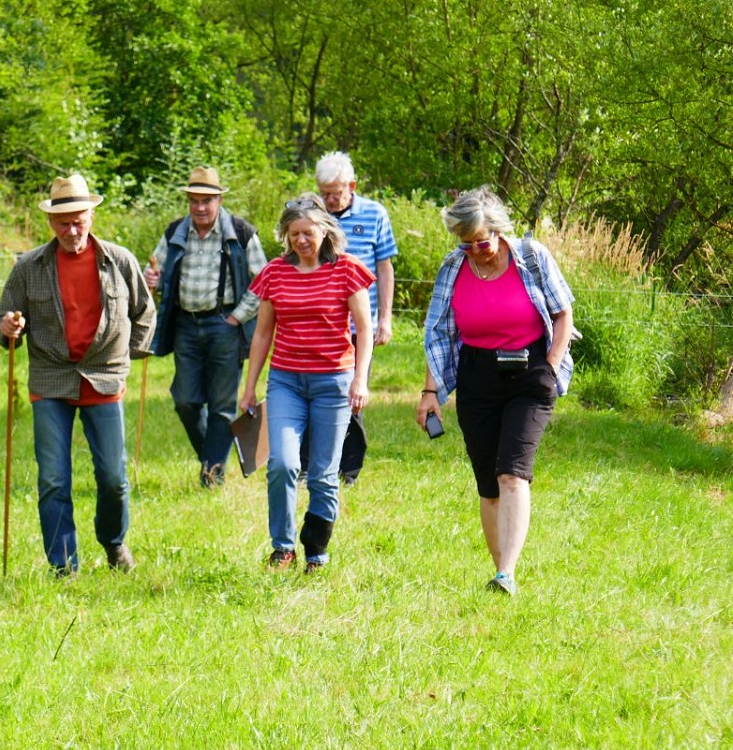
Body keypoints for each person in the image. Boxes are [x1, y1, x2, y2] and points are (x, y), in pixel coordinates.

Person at [417, 187, 575, 596]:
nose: (475, 250)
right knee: (488, 483)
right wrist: (430, 391)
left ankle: (506, 572)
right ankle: (499, 571)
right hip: (477, 376)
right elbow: (439, 333)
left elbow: (562, 313)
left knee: (512, 472)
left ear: (498, 231)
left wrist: (551, 367)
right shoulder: (453, 267)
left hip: (530, 374)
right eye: (466, 244)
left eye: (481, 242)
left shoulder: (532, 256)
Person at [0, 174, 155, 576]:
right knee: (53, 479)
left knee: (114, 479)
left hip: (103, 377)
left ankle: (114, 543)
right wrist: (8, 328)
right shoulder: (29, 266)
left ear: (91, 216)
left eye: (78, 220)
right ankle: (63, 565)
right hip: (51, 379)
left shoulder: (119, 261)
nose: (71, 230)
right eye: (63, 222)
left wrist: (125, 358)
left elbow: (145, 314)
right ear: (51, 223)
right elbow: (5, 316)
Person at [239, 194, 375, 573]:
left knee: (323, 473)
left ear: (325, 231)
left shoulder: (347, 269)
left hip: (333, 382)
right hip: (286, 382)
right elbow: (263, 333)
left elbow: (363, 329)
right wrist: (249, 387)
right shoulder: (275, 273)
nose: (301, 240)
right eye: (293, 233)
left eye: (308, 233)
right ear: (285, 235)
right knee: (282, 463)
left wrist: (360, 380)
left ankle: (316, 550)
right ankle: (283, 548)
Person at [144, 167, 268, 488]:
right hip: (185, 323)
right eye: (194, 201)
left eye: (207, 201)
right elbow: (154, 270)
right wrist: (152, 280)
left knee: (222, 404)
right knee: (185, 400)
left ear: (219, 200)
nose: (200, 208)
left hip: (225, 324)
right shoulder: (175, 231)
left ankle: (211, 475)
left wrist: (238, 316)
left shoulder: (240, 231)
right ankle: (212, 460)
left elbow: (264, 281)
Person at [299, 151, 400, 484]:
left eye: (336, 193)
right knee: (312, 393)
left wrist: (385, 318)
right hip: (319, 325)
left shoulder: (375, 214)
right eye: (324, 192)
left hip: (360, 325)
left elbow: (385, 268)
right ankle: (307, 464)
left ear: (352, 186)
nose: (330, 200)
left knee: (354, 394)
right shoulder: (311, 217)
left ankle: (350, 468)